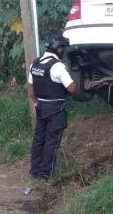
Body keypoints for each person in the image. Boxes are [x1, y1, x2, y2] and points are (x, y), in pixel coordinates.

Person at [27, 35, 76, 181]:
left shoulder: (35, 64)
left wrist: (35, 102)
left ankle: (34, 171)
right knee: (51, 142)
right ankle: (45, 175)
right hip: (55, 108)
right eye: (63, 48)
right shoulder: (58, 66)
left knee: (38, 139)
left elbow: (30, 88)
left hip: (40, 106)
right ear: (59, 48)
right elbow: (72, 88)